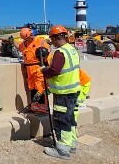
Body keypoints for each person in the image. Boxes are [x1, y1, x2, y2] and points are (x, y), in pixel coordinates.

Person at [40, 25, 80, 159]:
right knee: (70, 119)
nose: (52, 42)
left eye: (52, 39)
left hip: (64, 93)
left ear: (57, 38)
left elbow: (54, 70)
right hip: (74, 90)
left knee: (61, 120)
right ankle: (71, 144)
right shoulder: (72, 50)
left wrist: (44, 71)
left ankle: (63, 150)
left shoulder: (60, 52)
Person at [16, 27, 50, 113]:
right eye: (25, 39)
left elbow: (48, 53)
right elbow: (19, 47)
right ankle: (34, 108)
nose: (27, 41)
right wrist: (12, 41)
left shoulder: (40, 41)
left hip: (38, 68)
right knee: (32, 88)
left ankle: (43, 110)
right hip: (29, 69)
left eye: (28, 39)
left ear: (31, 35)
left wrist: (46, 65)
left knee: (40, 88)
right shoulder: (24, 44)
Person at [71, 69, 91, 153]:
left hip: (83, 85)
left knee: (74, 109)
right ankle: (74, 130)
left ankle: (74, 133)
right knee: (73, 108)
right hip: (82, 84)